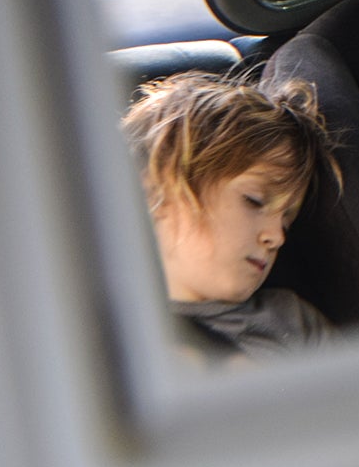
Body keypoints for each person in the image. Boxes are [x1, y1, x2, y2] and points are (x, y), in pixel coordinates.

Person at [121, 71, 341, 362]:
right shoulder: (102, 337)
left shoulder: (291, 321)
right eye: (254, 201)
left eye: (287, 219)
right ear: (154, 187)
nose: (276, 237)